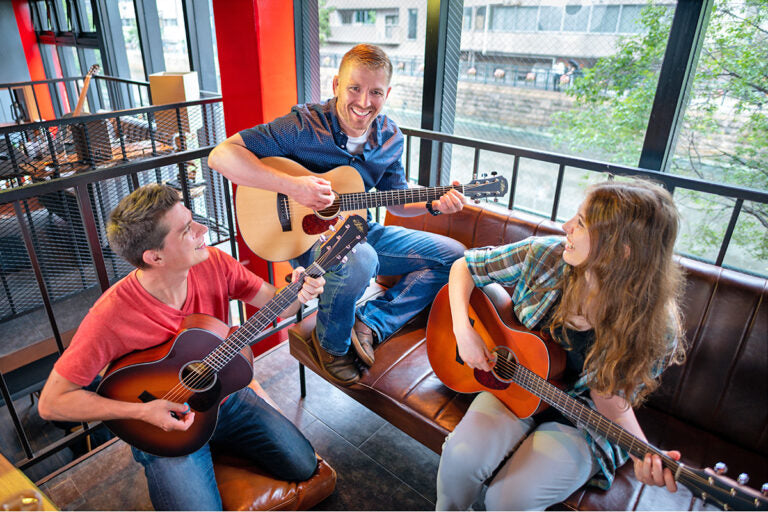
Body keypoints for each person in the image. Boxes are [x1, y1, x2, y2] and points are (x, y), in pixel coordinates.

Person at [37, 184, 325, 511]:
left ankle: (216, 442)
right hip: (162, 425)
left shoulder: (215, 262)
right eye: (188, 229)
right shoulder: (109, 316)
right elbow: (51, 404)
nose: (204, 229)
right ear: (154, 257)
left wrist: (298, 291)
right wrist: (142, 411)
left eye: (193, 219)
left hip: (225, 400)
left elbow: (279, 307)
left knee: (304, 465)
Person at [208, 43, 467, 386]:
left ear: (386, 93)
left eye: (375, 92)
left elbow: (397, 201)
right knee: (360, 258)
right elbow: (221, 156)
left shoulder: (390, 138)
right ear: (335, 86)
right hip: (308, 240)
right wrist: (293, 187)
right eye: (354, 88)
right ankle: (331, 344)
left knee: (454, 258)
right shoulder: (303, 126)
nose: (363, 102)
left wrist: (435, 202)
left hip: (358, 229)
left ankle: (371, 323)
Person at [436, 178, 686, 510]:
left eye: (581, 224)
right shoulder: (548, 256)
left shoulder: (656, 326)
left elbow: (610, 398)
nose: (566, 226)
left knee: (508, 500)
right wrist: (464, 334)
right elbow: (464, 267)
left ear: (622, 250)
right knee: (459, 460)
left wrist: (642, 450)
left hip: (583, 417)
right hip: (516, 384)